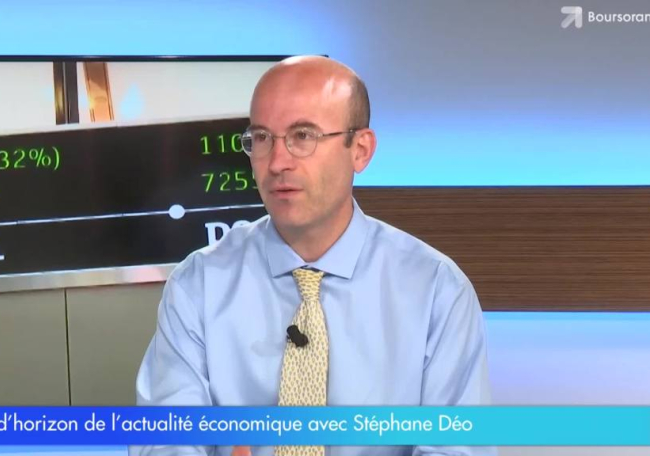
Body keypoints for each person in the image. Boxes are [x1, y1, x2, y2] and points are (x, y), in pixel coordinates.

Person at [135, 56, 495, 456]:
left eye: (302, 136)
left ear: (360, 150)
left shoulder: (437, 290)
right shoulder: (199, 284)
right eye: (262, 138)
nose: (277, 162)